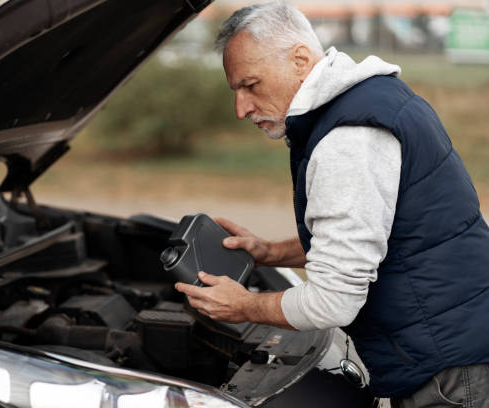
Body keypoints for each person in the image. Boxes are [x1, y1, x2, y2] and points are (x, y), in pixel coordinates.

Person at [174, 2, 489, 406]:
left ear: (300, 60)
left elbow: (334, 300)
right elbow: (370, 235)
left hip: (451, 367)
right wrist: (269, 252)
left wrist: (245, 306)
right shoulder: (368, 100)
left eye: (250, 85)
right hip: (456, 342)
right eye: (235, 90)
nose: (241, 109)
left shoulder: (349, 137)